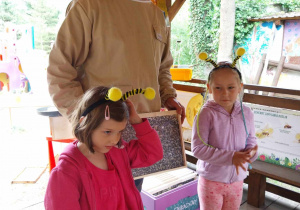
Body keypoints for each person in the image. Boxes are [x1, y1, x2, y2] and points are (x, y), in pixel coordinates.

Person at [47, 0, 185, 191]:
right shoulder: (88, 6)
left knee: (131, 196)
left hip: (142, 137)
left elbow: (162, 67)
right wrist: (86, 121)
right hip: (100, 140)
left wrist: (168, 95)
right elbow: (60, 71)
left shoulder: (157, 13)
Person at [44, 86, 163, 210]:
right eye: (107, 132)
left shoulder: (119, 150)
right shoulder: (66, 171)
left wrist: (137, 121)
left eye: (119, 131)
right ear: (84, 122)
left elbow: (152, 153)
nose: (115, 140)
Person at [191, 49, 258, 210]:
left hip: (237, 180)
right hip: (211, 180)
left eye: (231, 87)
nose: (225, 93)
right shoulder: (205, 113)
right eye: (218, 88)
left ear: (240, 87)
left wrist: (251, 154)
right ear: (209, 88)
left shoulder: (246, 112)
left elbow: (252, 140)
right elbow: (198, 149)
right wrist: (231, 157)